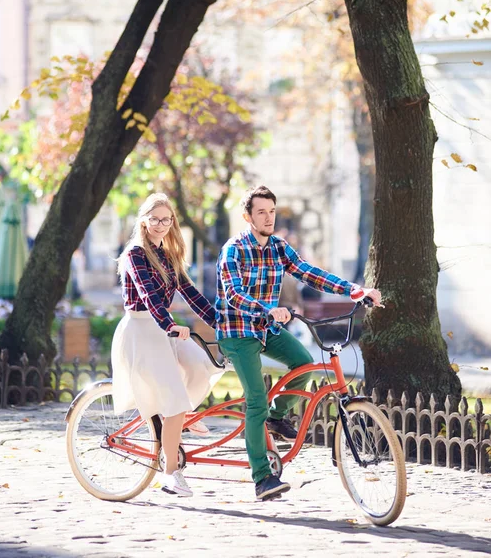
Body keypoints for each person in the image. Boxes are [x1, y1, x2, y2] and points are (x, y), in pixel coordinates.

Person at [215, 185, 382, 501]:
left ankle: (276, 418)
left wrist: (354, 290)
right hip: (237, 331)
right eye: (261, 212)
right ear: (247, 216)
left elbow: (309, 273)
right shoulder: (233, 250)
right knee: (255, 401)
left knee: (304, 364)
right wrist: (268, 309)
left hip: (266, 327)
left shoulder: (278, 247)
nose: (268, 217)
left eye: (272, 211)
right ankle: (263, 478)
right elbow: (234, 294)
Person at [112, 193, 222, 498]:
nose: (161, 224)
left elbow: (191, 294)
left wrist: (221, 323)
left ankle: (180, 421)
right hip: (143, 329)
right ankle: (171, 474)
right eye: (155, 219)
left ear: (172, 221)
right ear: (144, 221)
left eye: (166, 219)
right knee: (174, 402)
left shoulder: (170, 255)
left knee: (201, 366)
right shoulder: (135, 253)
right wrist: (169, 324)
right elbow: (149, 296)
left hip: (165, 328)